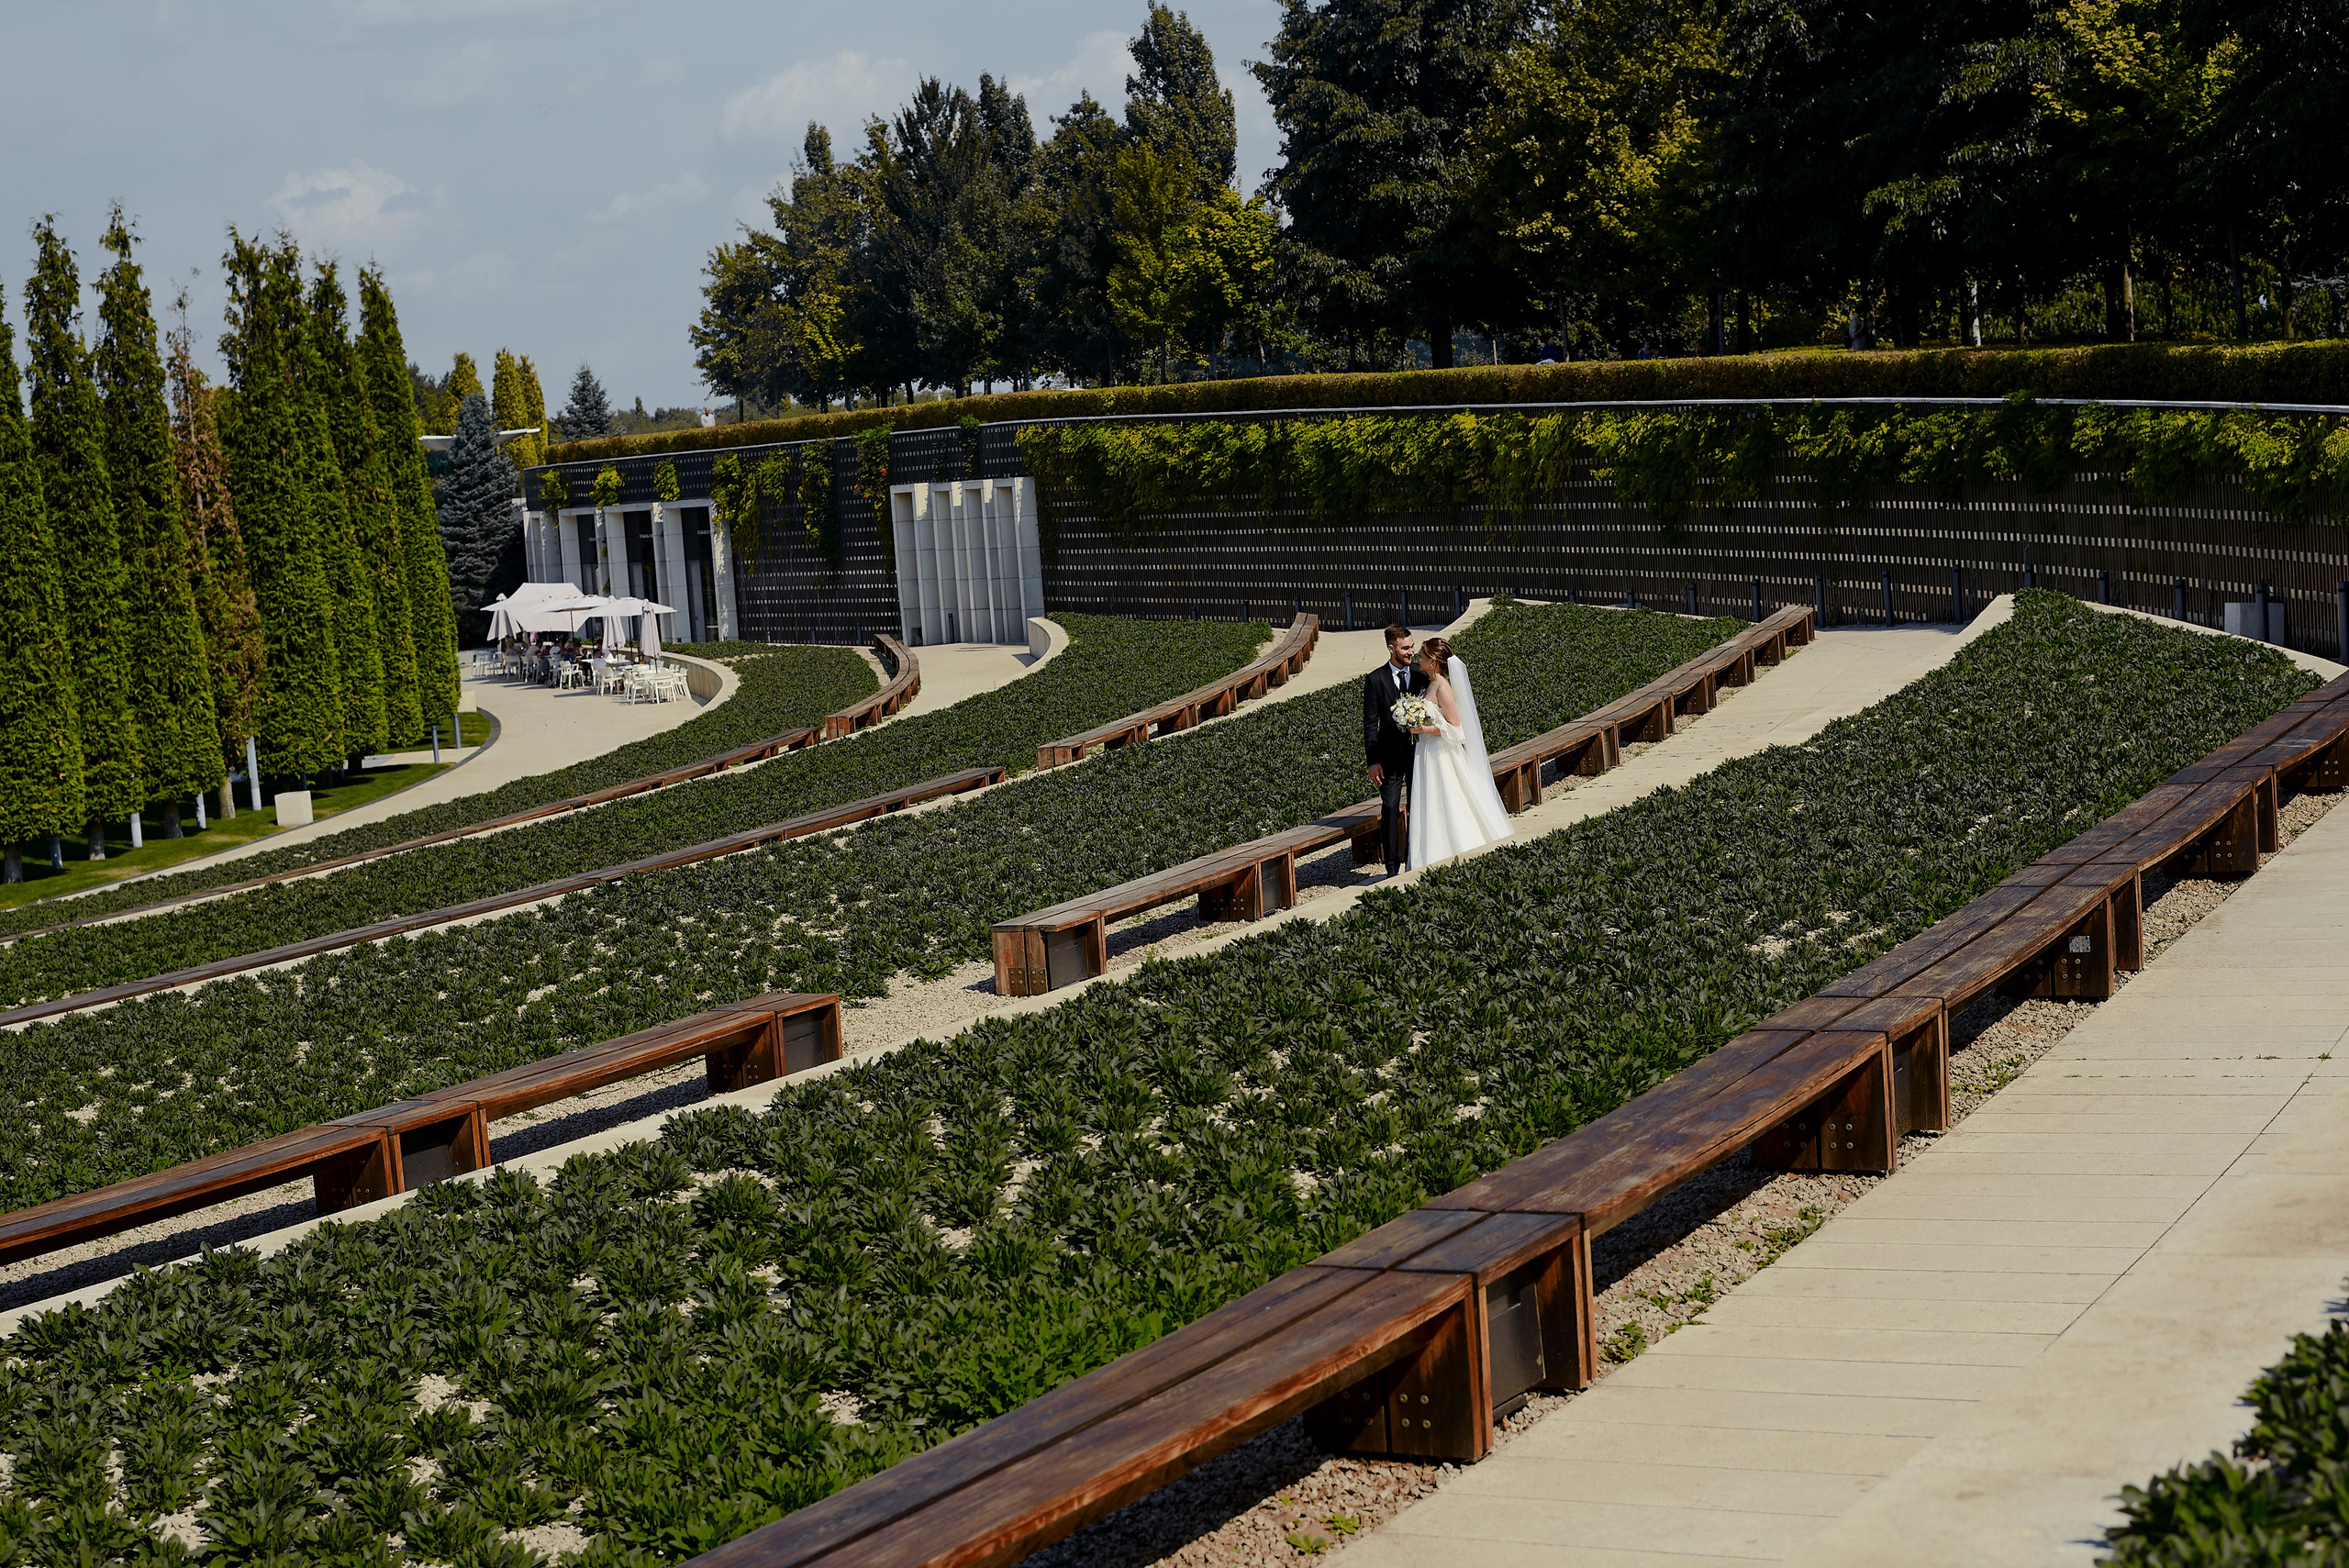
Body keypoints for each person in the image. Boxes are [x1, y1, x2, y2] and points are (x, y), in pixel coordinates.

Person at [1404, 636, 1514, 870]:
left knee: (1447, 798)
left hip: (1441, 754)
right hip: (1427, 752)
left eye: (1422, 655)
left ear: (1432, 661)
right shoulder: (1430, 683)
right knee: (1430, 800)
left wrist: (1422, 728)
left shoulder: (1443, 687)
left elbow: (1456, 727)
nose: (1418, 658)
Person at [1362, 624, 1429, 877]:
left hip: (1418, 754)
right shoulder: (1375, 679)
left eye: (1412, 646)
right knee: (1390, 807)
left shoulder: (1422, 676)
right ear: (1391, 649)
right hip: (1388, 757)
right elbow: (1370, 724)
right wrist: (1373, 761)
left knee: (1418, 804)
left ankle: (1414, 857)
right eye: (1405, 648)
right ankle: (1391, 866)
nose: (1411, 651)